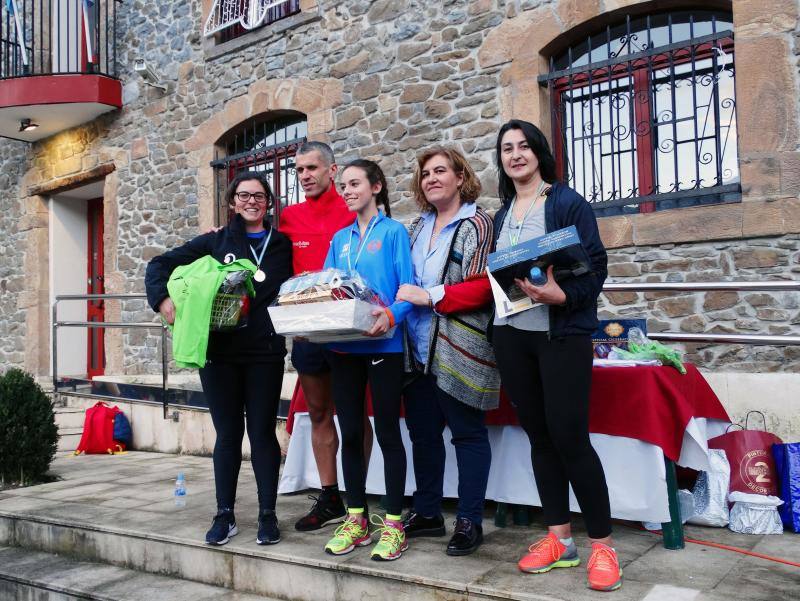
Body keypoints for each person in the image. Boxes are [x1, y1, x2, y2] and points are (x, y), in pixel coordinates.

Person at [489, 119, 620, 592]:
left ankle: (603, 546)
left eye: (524, 146)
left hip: (560, 335)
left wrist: (563, 298)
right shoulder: (501, 213)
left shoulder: (566, 202)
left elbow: (595, 268)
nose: (516, 154)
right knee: (540, 438)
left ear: (539, 152)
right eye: (507, 148)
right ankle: (559, 540)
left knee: (570, 438)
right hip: (512, 337)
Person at [145, 171, 293, 546]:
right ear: (232, 203)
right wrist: (163, 301)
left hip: (265, 353)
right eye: (243, 196)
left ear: (269, 202)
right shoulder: (215, 240)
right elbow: (159, 264)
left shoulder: (282, 244)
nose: (251, 201)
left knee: (262, 434)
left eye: (259, 196)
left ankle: (267, 515)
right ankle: (224, 514)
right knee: (228, 434)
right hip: (220, 355)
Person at [395, 146, 499, 556]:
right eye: (425, 174)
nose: (432, 178)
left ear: (460, 177)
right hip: (417, 349)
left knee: (468, 435)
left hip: (460, 347)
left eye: (441, 171)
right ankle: (428, 513)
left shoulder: (478, 223)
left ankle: (470, 521)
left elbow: (482, 285)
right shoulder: (416, 228)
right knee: (423, 435)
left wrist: (430, 295)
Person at [320, 159, 413, 561]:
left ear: (376, 186)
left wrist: (390, 315)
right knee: (352, 433)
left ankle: (393, 525)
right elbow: (325, 289)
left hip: (384, 348)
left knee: (389, 433)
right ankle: (355, 520)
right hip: (344, 349)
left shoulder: (394, 232)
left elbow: (408, 290)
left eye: (354, 183)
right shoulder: (338, 239)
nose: (346, 190)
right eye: (343, 185)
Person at [279, 141, 373, 532]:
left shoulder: (351, 205)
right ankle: (329, 495)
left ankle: (358, 496)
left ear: (331, 171)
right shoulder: (288, 216)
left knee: (354, 415)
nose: (305, 176)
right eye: (299, 170)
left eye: (312, 168)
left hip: (350, 331)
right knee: (319, 412)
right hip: (308, 333)